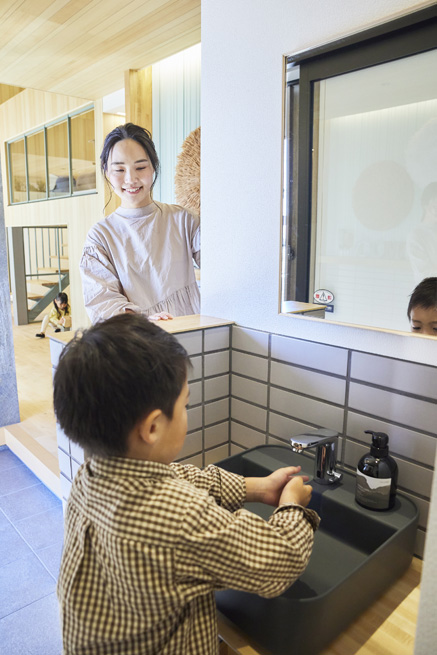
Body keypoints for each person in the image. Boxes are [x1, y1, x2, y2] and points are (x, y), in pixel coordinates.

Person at [53, 313, 319, 655]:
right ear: (152, 427)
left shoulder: (90, 476)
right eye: (186, 404)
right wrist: (291, 506)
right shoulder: (179, 518)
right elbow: (279, 562)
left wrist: (256, 488)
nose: (187, 411)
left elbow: (178, 477)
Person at [79, 123, 200, 324]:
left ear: (153, 167)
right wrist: (142, 321)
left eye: (140, 167)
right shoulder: (100, 236)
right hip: (138, 338)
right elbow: (102, 301)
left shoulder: (184, 220)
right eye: (119, 169)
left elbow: (221, 264)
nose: (131, 179)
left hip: (193, 333)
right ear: (107, 173)